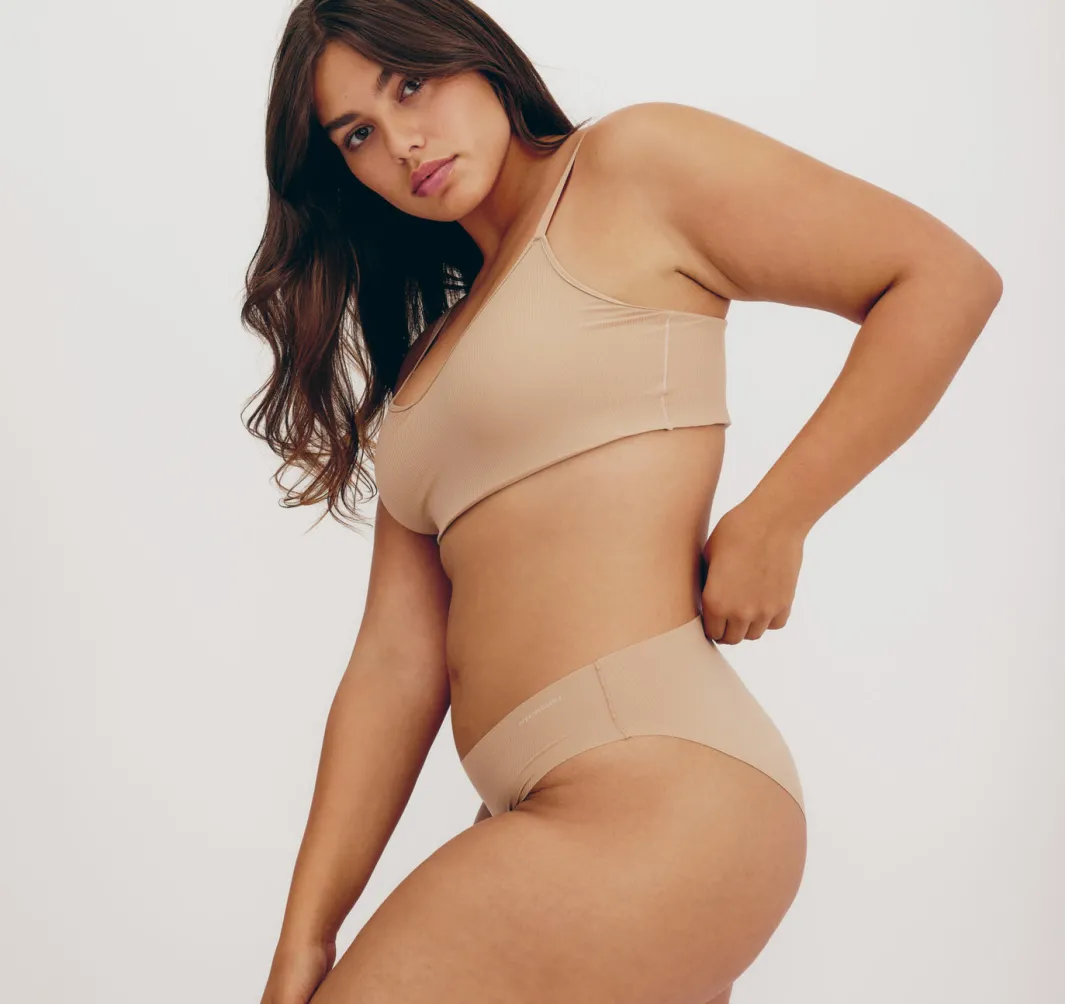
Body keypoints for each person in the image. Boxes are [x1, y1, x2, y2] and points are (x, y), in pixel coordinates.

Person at [241, 2, 1003, 1002]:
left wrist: (777, 517)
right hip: (547, 814)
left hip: (653, 795)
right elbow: (393, 663)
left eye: (409, 86)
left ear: (470, 53)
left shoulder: (628, 166)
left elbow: (941, 277)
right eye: (357, 135)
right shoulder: (431, 361)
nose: (402, 143)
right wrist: (305, 937)